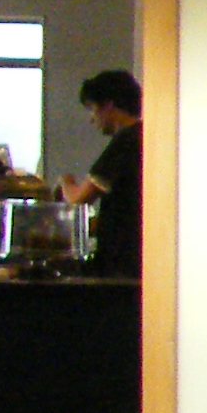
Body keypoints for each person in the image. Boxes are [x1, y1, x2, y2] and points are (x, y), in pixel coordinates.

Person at [61, 66, 142, 277]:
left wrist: (65, 182)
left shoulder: (125, 141)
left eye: (92, 108)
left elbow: (77, 199)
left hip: (120, 264)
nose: (91, 118)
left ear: (108, 105)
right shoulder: (144, 136)